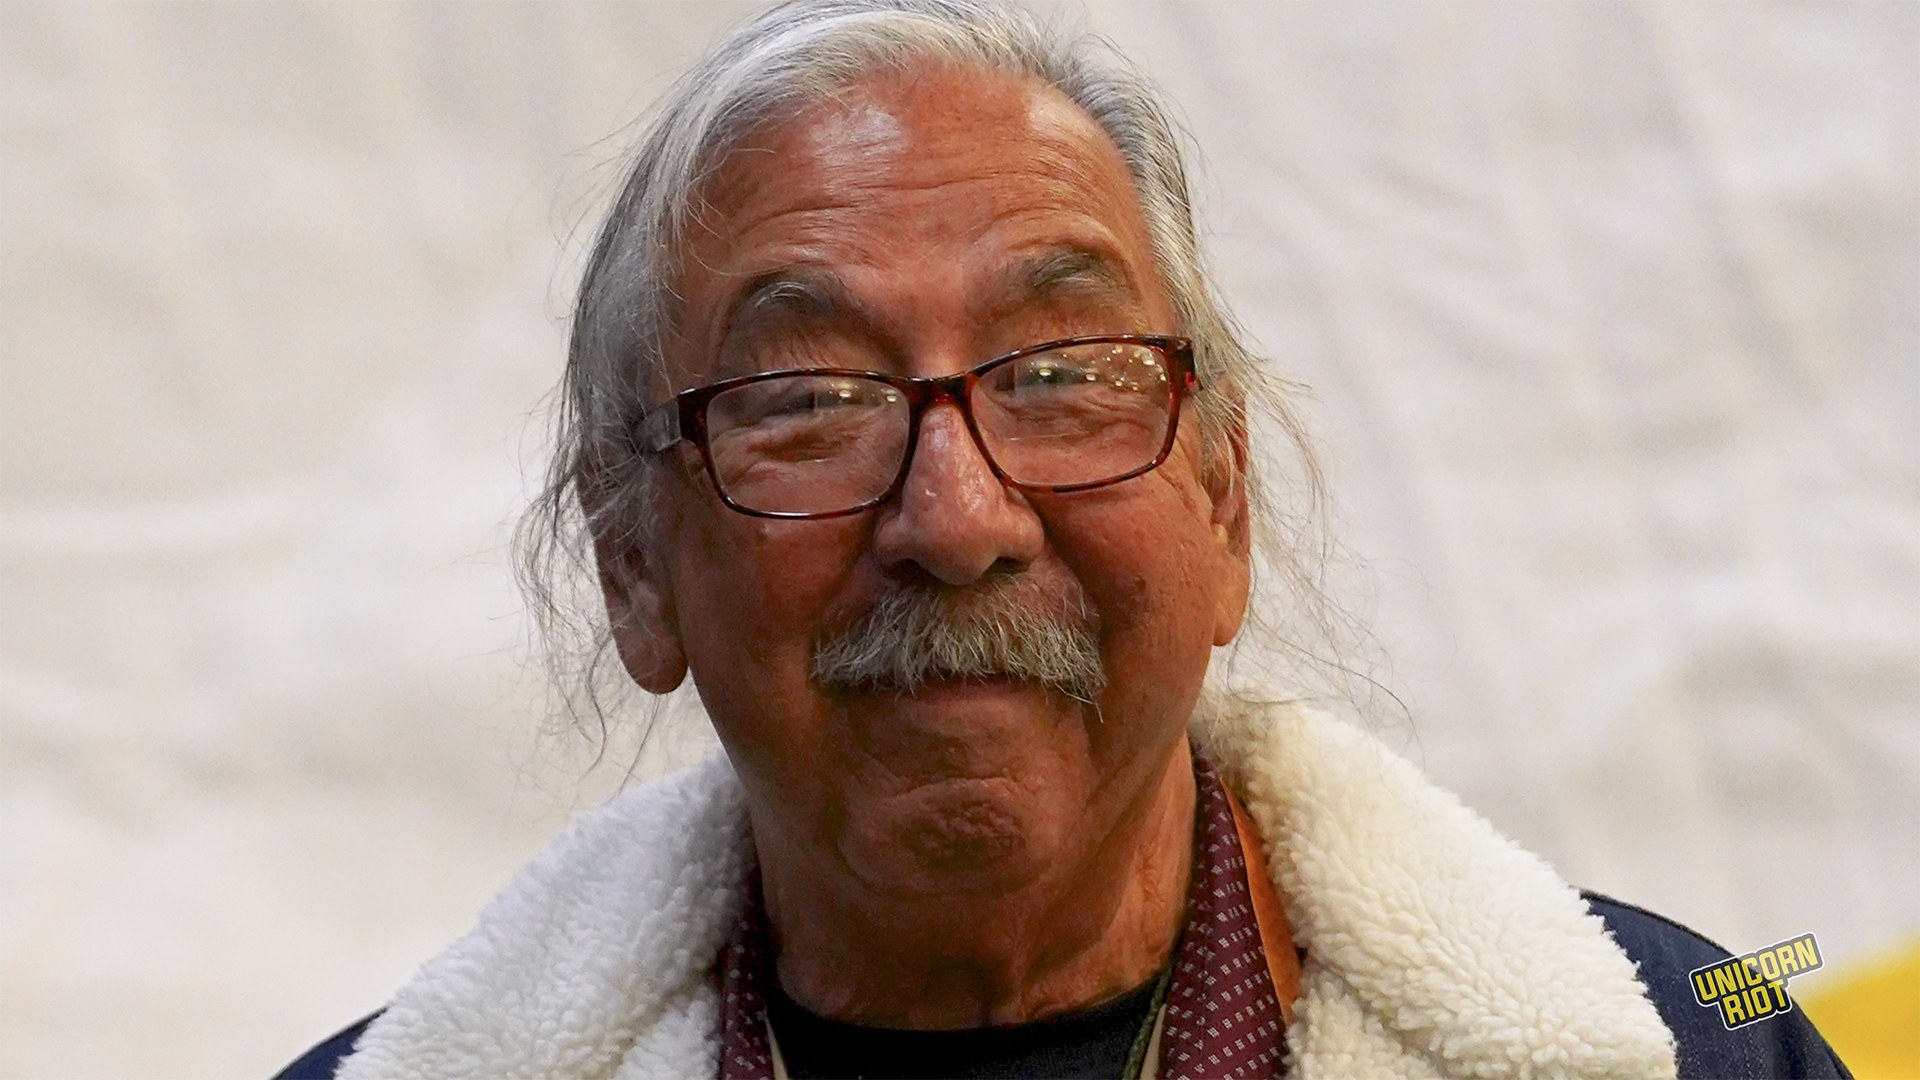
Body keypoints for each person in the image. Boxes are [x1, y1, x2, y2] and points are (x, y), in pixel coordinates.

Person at [279, 1, 1850, 1077]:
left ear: (1222, 501)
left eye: (1062, 377)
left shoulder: (1692, 1047)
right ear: (634, 565)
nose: (957, 520)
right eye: (808, 401)